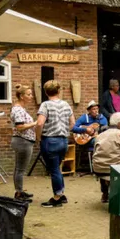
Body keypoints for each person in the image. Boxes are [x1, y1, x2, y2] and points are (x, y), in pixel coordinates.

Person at [36, 80, 75, 208]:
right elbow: (73, 124)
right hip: (63, 140)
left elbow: (40, 123)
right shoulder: (66, 105)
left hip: (50, 140)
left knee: (54, 170)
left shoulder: (45, 105)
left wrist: (38, 136)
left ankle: (57, 197)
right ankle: (62, 194)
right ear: (59, 91)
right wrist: (65, 131)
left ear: (46, 92)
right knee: (57, 168)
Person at [10, 85, 37, 201]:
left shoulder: (20, 109)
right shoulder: (18, 110)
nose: (31, 96)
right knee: (20, 170)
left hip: (23, 141)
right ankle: (19, 194)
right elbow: (20, 127)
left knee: (18, 169)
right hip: (23, 142)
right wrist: (35, 123)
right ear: (21, 96)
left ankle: (19, 191)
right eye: (28, 94)